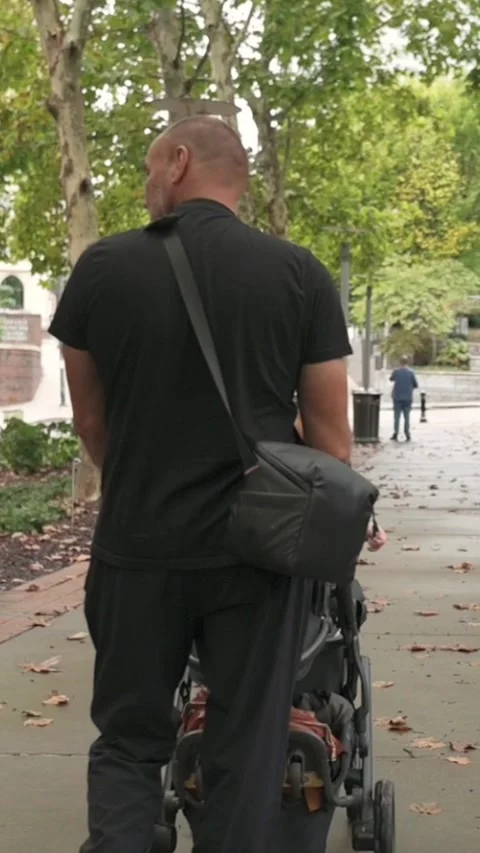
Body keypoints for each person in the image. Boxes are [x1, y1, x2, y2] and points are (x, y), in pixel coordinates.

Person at [49, 115, 379, 853]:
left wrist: (145, 484)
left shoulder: (102, 269)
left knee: (130, 740)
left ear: (178, 160)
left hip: (137, 550)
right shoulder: (299, 274)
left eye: (146, 169)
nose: (144, 185)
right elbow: (329, 438)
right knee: (245, 747)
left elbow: (92, 423)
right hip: (259, 557)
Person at [390, 355, 418, 441]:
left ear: (400, 362)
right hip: (407, 398)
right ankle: (407, 433)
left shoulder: (396, 372)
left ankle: (396, 433)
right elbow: (415, 384)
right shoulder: (411, 372)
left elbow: (391, 379)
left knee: (397, 417)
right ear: (407, 362)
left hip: (397, 397)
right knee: (407, 417)